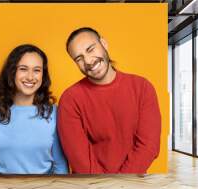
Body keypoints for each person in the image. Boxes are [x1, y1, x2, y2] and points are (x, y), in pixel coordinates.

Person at [57, 27, 161, 174]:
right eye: (79, 59)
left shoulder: (142, 87)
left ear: (104, 44)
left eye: (91, 49)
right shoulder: (70, 99)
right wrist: (105, 188)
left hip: (133, 186)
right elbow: (79, 158)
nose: (88, 61)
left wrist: (120, 184)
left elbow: (148, 145)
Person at [0, 44, 68, 175]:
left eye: (37, 70)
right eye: (23, 69)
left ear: (43, 75)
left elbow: (61, 166)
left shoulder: (54, 112)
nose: (30, 77)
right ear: (12, 72)